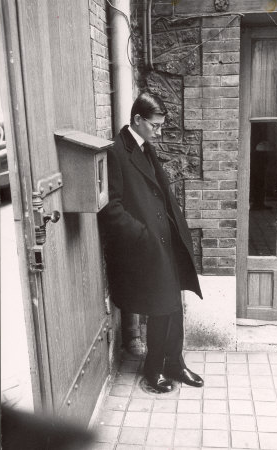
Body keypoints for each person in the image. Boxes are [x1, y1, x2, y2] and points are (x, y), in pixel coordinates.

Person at [99, 92, 203, 393]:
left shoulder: (143, 146)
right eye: (154, 126)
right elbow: (111, 208)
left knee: (175, 305)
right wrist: (143, 236)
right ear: (137, 120)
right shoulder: (117, 152)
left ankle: (175, 363)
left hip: (165, 241)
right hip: (146, 247)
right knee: (161, 307)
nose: (159, 132)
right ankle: (153, 369)